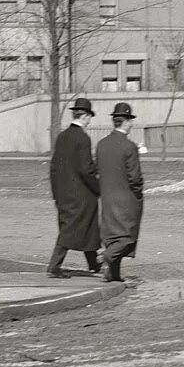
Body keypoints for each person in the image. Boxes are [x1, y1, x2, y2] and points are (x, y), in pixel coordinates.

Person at [46, 97, 101, 277]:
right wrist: (98, 188)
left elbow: (54, 167)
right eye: (89, 116)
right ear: (84, 116)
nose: (90, 120)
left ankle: (94, 265)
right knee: (73, 228)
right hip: (81, 194)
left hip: (63, 192)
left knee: (87, 227)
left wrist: (56, 193)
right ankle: (54, 266)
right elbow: (86, 169)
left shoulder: (62, 136)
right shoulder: (82, 138)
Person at [95, 101, 144, 285]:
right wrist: (138, 193)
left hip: (107, 198)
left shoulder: (101, 144)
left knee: (112, 236)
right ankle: (106, 257)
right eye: (130, 120)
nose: (131, 124)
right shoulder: (129, 146)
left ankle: (113, 275)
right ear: (125, 121)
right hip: (126, 199)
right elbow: (135, 177)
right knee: (126, 237)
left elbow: (97, 169)